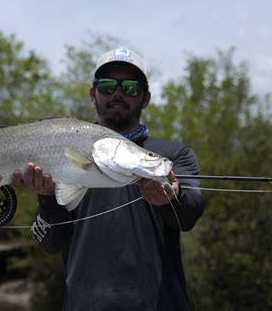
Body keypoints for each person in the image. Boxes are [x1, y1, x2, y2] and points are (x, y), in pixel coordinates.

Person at [12, 47, 205, 311]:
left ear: (146, 98)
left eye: (130, 88)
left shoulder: (171, 156)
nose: (117, 93)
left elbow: (189, 215)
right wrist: (47, 198)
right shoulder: (64, 152)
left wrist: (171, 197)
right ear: (93, 93)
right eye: (106, 85)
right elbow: (50, 243)